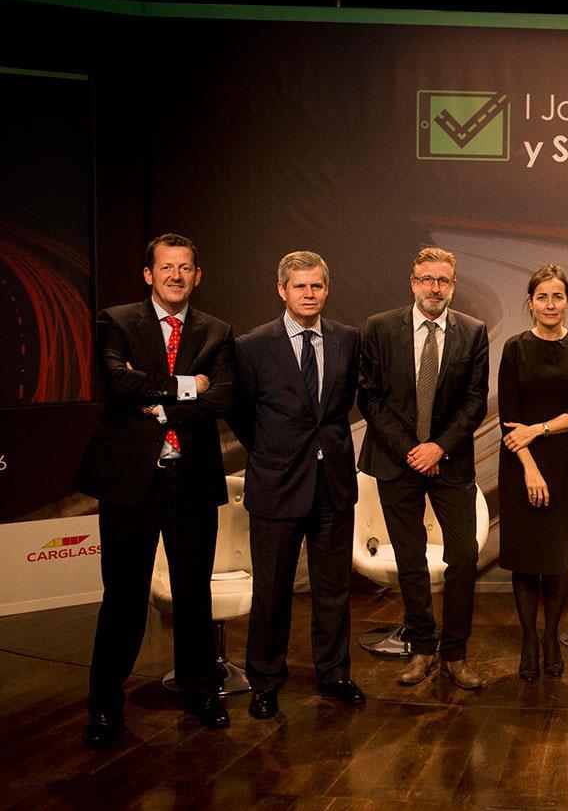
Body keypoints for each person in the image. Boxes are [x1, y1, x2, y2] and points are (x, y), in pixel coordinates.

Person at [74, 232, 235, 747]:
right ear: (149, 274)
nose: (175, 276)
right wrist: (190, 386)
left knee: (193, 594)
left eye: (185, 268)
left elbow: (224, 398)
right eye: (166, 267)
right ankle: (104, 705)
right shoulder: (116, 321)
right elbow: (118, 384)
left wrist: (159, 400)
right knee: (122, 597)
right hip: (129, 483)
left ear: (197, 275)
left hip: (191, 479)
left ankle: (200, 690)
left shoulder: (217, 330)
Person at [232, 251, 363, 719]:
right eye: (300, 287)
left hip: (333, 484)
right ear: (282, 290)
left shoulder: (348, 339)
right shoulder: (252, 345)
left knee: (333, 590)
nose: (309, 294)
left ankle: (335, 673)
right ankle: (265, 681)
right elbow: (242, 414)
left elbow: (343, 404)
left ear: (326, 290)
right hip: (277, 484)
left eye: (317, 287)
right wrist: (277, 451)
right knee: (272, 591)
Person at [358, 247, 489, 690]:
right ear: (413, 283)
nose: (435, 288)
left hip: (449, 463)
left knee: (464, 557)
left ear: (453, 284)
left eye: (444, 281)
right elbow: (370, 396)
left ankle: (456, 653)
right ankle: (420, 650)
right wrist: (413, 449)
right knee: (410, 561)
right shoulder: (380, 328)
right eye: (427, 279)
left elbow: (474, 402)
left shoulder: (473, 332)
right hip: (398, 462)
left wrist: (437, 448)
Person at [498, 264, 568, 681]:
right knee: (526, 558)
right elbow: (508, 418)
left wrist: (539, 429)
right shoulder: (515, 348)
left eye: (558, 297)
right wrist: (529, 468)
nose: (550, 304)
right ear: (531, 302)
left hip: (565, 463)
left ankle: (552, 636)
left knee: (556, 559)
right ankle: (529, 639)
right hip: (520, 464)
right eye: (542, 297)